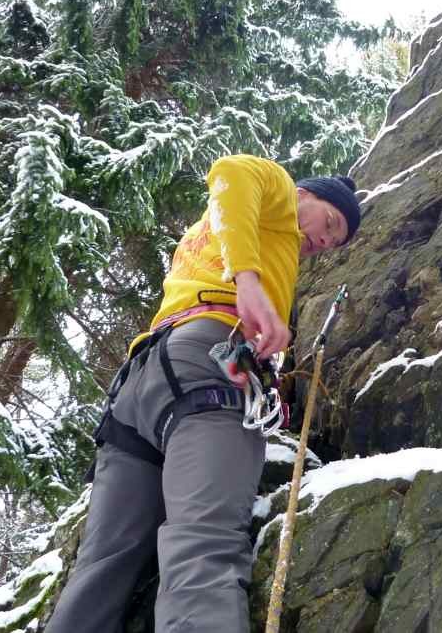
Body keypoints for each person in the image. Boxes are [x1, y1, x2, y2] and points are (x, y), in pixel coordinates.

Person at [47, 154, 361, 633]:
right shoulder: (277, 193)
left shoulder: (224, 238)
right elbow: (231, 172)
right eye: (329, 222)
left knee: (101, 567)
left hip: (142, 387)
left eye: (331, 244)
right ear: (303, 195)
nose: (322, 240)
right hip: (206, 366)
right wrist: (249, 281)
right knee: (204, 545)